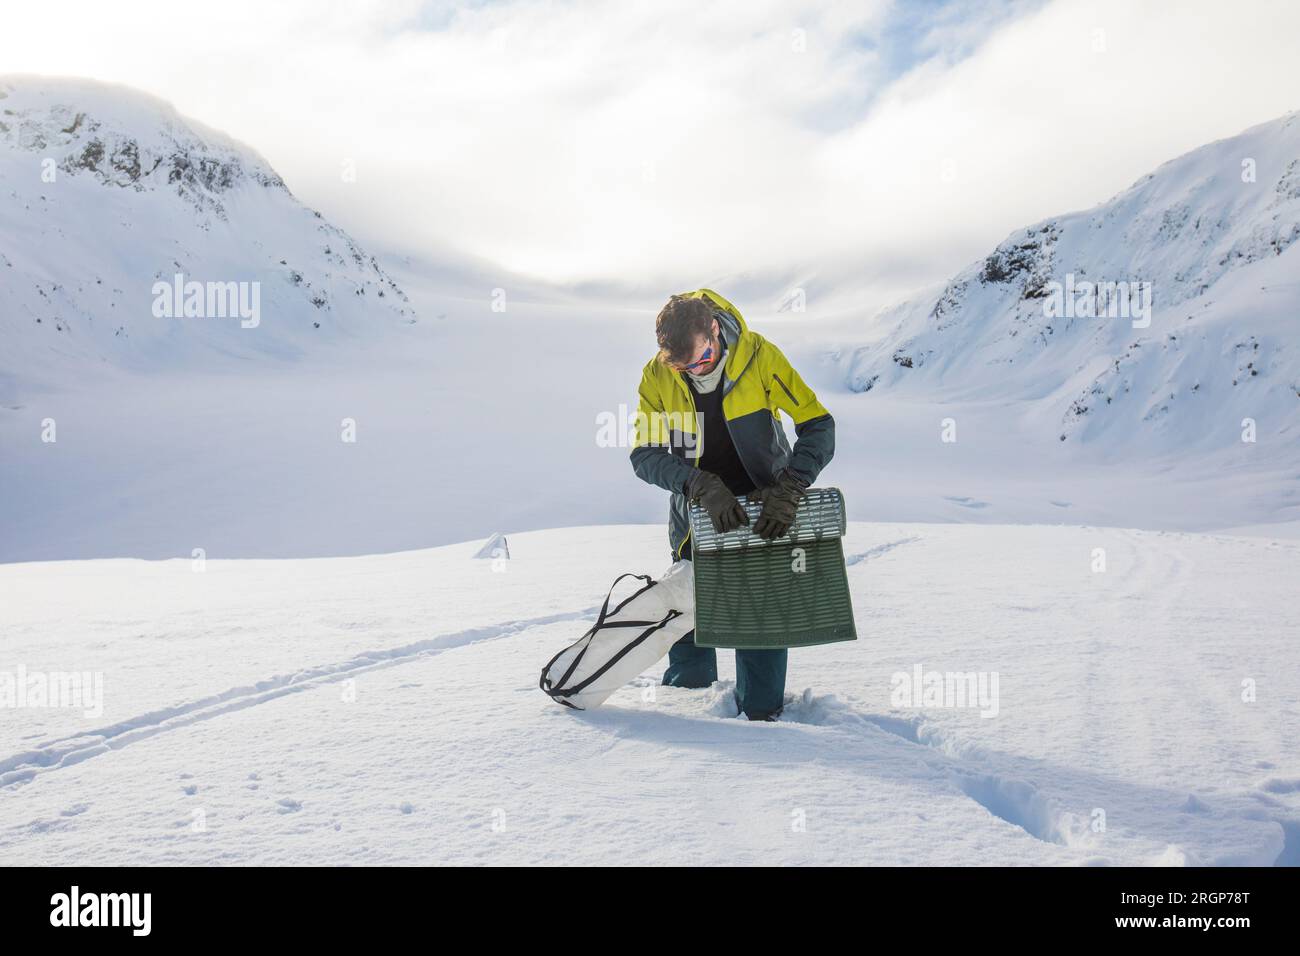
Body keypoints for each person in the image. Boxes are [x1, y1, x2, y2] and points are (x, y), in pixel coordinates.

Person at [629, 288, 835, 720]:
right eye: (683, 368)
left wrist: (792, 487)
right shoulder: (657, 376)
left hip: (766, 513)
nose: (694, 372)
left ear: (715, 331)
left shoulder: (759, 356)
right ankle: (685, 711)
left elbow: (818, 424)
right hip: (697, 517)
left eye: (702, 361)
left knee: (758, 618)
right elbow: (644, 454)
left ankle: (761, 723)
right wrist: (698, 484)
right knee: (687, 610)